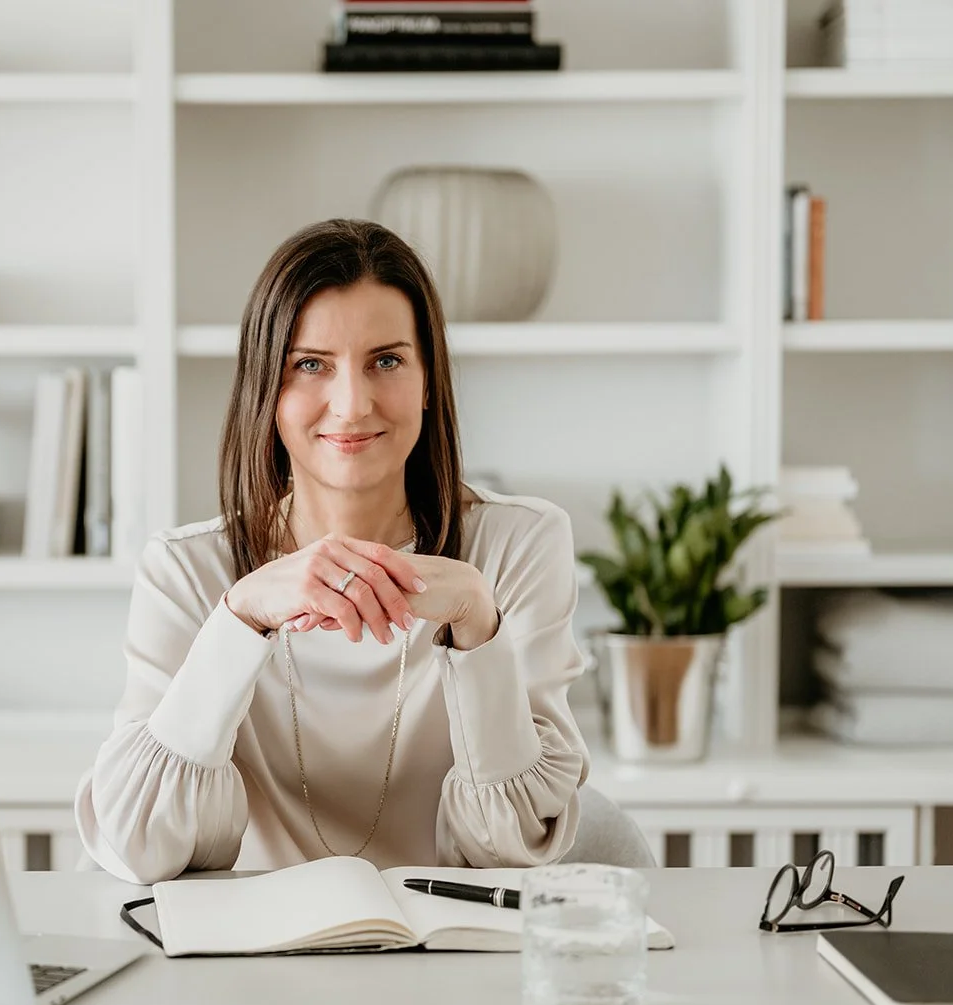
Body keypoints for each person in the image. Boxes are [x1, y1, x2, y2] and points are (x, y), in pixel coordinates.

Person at [74, 219, 589, 884]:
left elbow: (515, 850)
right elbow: (137, 841)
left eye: (386, 361)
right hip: (251, 943)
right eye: (310, 365)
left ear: (429, 382)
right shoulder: (186, 569)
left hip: (448, 941)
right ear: (266, 387)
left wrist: (477, 625)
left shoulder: (519, 544)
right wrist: (239, 619)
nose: (351, 405)